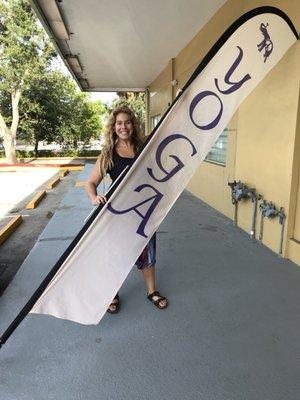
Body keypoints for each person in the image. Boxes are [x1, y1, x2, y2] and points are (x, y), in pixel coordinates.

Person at [86, 105, 168, 314]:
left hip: (143, 212)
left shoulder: (143, 149)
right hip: (118, 213)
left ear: (133, 125)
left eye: (127, 122)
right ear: (114, 127)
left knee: (147, 251)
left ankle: (151, 291)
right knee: (116, 254)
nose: (123, 127)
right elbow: (91, 183)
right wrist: (95, 197)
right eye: (119, 123)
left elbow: (165, 131)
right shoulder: (108, 153)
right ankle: (112, 294)